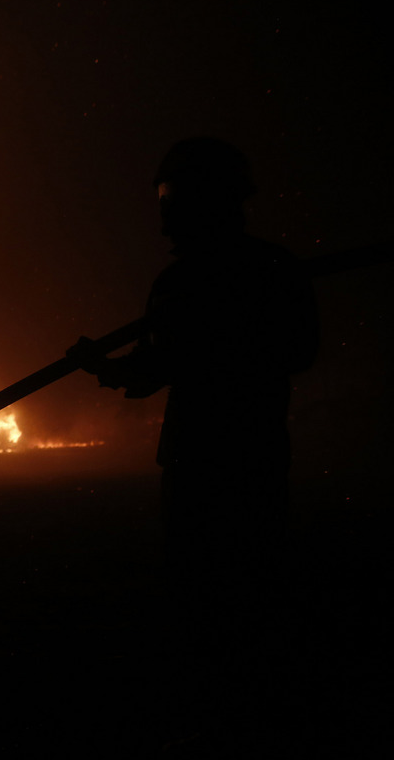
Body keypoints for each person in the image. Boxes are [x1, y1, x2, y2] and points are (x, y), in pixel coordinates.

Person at [69, 137, 318, 614]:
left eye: (172, 201)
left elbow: (297, 350)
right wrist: (104, 365)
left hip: (228, 460)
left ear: (207, 200)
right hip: (231, 460)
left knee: (229, 587)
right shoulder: (251, 272)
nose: (165, 218)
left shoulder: (206, 281)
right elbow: (151, 369)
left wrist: (207, 349)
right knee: (216, 588)